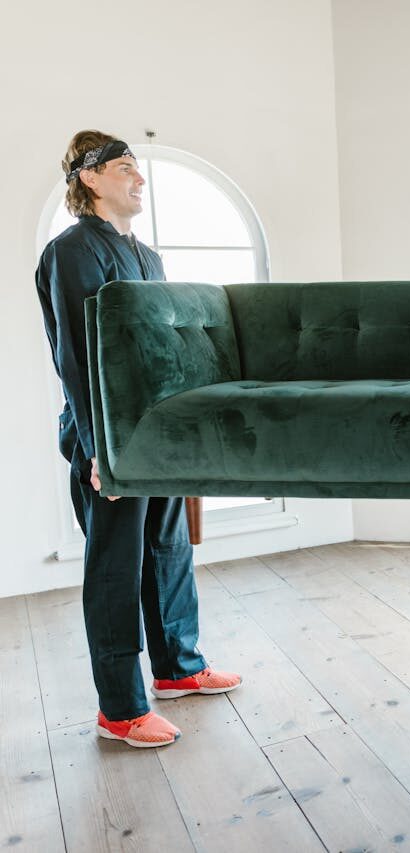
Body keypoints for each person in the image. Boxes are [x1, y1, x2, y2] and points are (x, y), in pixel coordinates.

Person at [36, 130, 241, 749]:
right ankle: (120, 709)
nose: (139, 178)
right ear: (89, 178)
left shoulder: (148, 257)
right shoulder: (70, 253)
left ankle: (179, 669)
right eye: (126, 167)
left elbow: (166, 351)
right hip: (109, 438)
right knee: (115, 568)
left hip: (157, 432)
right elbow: (76, 357)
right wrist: (100, 446)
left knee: (169, 549)